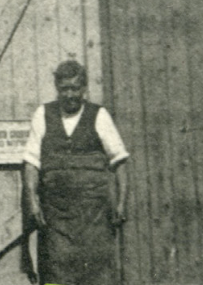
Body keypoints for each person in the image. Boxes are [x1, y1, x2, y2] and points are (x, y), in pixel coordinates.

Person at [23, 59, 129, 285]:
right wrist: (32, 201)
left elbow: (119, 161)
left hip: (94, 215)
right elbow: (31, 163)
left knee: (97, 273)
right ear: (57, 89)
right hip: (56, 215)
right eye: (64, 89)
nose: (70, 94)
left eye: (75, 88)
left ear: (84, 89)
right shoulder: (43, 114)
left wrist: (120, 203)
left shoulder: (99, 115)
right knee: (55, 272)